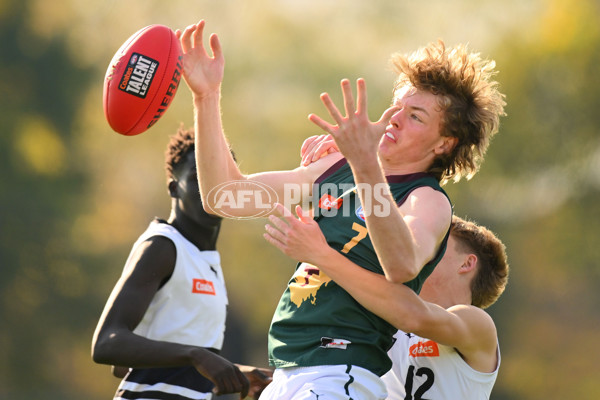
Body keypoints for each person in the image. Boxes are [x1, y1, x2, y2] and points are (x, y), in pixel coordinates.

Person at [177, 19, 505, 399]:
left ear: (444, 144)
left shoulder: (426, 199)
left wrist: (365, 166)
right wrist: (206, 97)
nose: (395, 117)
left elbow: (400, 265)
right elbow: (224, 197)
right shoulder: (337, 170)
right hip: (287, 371)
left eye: (416, 116)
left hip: (341, 371)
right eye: (397, 106)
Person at [91, 126, 272, 400]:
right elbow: (107, 344)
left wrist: (233, 371)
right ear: (174, 187)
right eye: (199, 178)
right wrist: (196, 356)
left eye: (222, 178)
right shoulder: (162, 246)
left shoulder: (204, 258)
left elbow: (165, 360)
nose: (214, 189)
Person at [265, 204, 509, 399]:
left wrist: (322, 254)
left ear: (467, 263)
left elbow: (414, 315)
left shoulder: (477, 324)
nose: (423, 251)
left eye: (438, 245)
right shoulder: (389, 315)